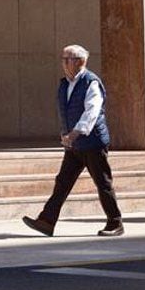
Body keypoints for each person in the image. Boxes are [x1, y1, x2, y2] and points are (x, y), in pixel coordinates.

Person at [22, 43, 123, 237]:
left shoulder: (91, 82)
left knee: (103, 182)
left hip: (92, 142)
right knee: (62, 182)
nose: (64, 63)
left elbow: (91, 112)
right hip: (74, 144)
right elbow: (66, 112)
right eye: (63, 59)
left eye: (69, 59)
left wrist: (75, 133)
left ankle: (115, 222)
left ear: (81, 61)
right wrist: (66, 134)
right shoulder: (65, 84)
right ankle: (46, 221)